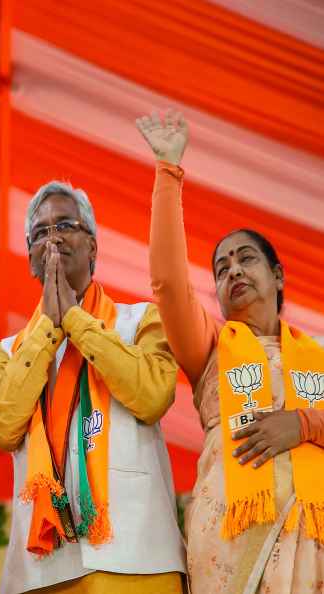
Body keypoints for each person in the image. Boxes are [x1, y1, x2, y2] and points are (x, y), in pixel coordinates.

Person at [139, 110, 324, 594]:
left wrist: (302, 424)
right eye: (221, 269)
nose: (233, 272)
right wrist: (168, 172)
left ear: (279, 275)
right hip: (231, 538)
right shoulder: (211, 348)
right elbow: (169, 284)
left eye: (246, 259)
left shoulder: (318, 356)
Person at [0, 175, 186, 593]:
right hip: (41, 572)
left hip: (139, 558)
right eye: (40, 232)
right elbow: (1, 425)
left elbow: (153, 396)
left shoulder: (140, 320)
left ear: (93, 246)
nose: (53, 238)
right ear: (31, 258)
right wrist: (49, 329)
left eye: (66, 225)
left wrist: (75, 320)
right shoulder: (6, 351)